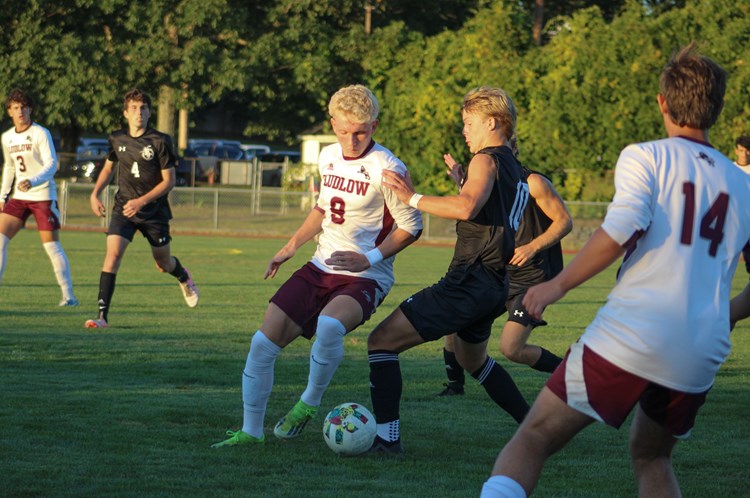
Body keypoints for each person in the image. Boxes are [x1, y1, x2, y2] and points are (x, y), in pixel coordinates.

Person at [481, 43, 750, 498]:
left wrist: (556, 285)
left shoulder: (647, 156)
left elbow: (617, 232)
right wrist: (725, 316)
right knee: (653, 457)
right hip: (702, 346)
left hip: (637, 327)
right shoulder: (742, 183)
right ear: (718, 109)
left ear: (662, 102)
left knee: (533, 438)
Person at [211, 84, 423, 448]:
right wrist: (290, 246)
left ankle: (307, 404)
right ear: (332, 124)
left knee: (328, 325)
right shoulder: (327, 156)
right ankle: (250, 432)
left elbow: (412, 226)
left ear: (374, 126)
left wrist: (368, 259)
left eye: (360, 131)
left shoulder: (387, 166)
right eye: (343, 131)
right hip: (320, 266)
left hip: (366, 275)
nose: (351, 140)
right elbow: (323, 209)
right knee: (262, 344)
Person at [366, 86, 531, 454]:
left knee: (381, 341)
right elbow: (489, 211)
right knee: (473, 360)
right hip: (494, 285)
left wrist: (412, 198)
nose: (465, 131)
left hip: (468, 281)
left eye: (469, 123)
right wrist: (460, 181)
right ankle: (536, 427)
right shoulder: (516, 168)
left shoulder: (485, 160)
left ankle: (387, 440)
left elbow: (468, 207)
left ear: (491, 122)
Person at [436, 149, 572, 397]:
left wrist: (533, 246)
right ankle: (455, 387)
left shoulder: (534, 182)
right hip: (500, 272)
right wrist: (462, 186)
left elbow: (565, 221)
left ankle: (572, 373)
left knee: (512, 349)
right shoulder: (486, 183)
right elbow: (474, 215)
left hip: (533, 279)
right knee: (454, 323)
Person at [85, 88, 199, 329]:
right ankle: (102, 317)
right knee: (112, 256)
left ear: (149, 113)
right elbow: (108, 168)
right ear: (125, 113)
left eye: (143, 108)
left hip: (154, 212)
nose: (139, 112)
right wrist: (95, 193)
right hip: (123, 208)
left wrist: (142, 201)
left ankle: (182, 275)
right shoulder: (116, 138)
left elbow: (168, 182)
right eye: (134, 108)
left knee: (163, 263)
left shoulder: (160, 141)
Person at [0, 88, 77, 306]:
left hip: (42, 195)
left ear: (30, 109)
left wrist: (33, 180)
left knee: (51, 246)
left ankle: (68, 295)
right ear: (10, 112)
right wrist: (3, 195)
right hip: (19, 197)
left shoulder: (40, 133)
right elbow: (10, 167)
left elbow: (52, 164)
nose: (20, 111)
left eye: (24, 107)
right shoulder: (7, 138)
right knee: (0, 240)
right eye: (16, 108)